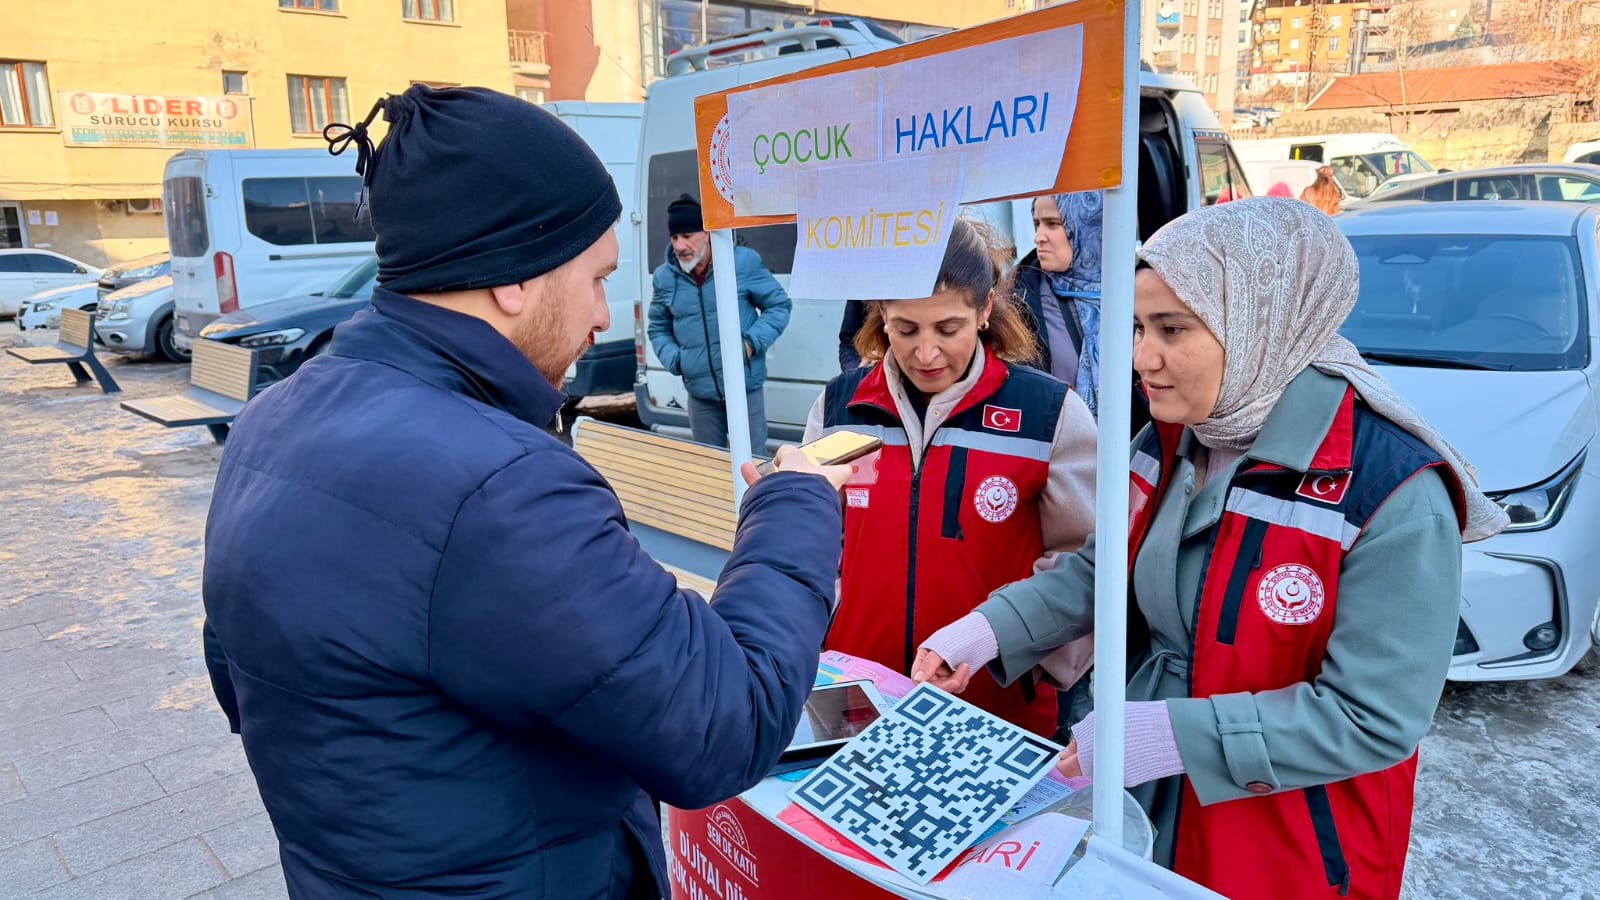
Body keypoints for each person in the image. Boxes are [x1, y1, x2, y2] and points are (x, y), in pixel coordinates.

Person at [200, 85, 852, 899]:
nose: (601, 316)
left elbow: (237, 675)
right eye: (595, 278)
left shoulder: (274, 418)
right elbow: (724, 726)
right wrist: (794, 506)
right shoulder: (497, 484)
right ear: (512, 277)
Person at [914, 199, 1508, 899]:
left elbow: (1372, 716)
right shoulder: (1173, 437)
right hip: (1153, 810)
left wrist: (1168, 736)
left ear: (1261, 322)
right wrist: (984, 632)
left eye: (1171, 329)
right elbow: (1102, 573)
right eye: (1137, 327)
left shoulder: (1387, 489)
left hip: (1285, 845)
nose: (1141, 358)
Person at [805, 217, 1098, 737]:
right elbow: (815, 546)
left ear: (984, 310)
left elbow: (1085, 562)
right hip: (857, 700)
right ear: (881, 318)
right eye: (905, 328)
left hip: (997, 708)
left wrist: (1034, 662)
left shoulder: (1049, 413)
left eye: (948, 328)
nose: (926, 353)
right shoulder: (838, 409)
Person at [648, 194, 790, 450]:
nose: (680, 245)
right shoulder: (664, 278)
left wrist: (750, 344)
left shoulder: (742, 263)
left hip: (743, 389)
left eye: (687, 235)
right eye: (674, 238)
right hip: (699, 395)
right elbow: (658, 326)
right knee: (708, 468)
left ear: (706, 233)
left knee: (752, 464)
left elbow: (779, 305)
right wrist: (676, 359)